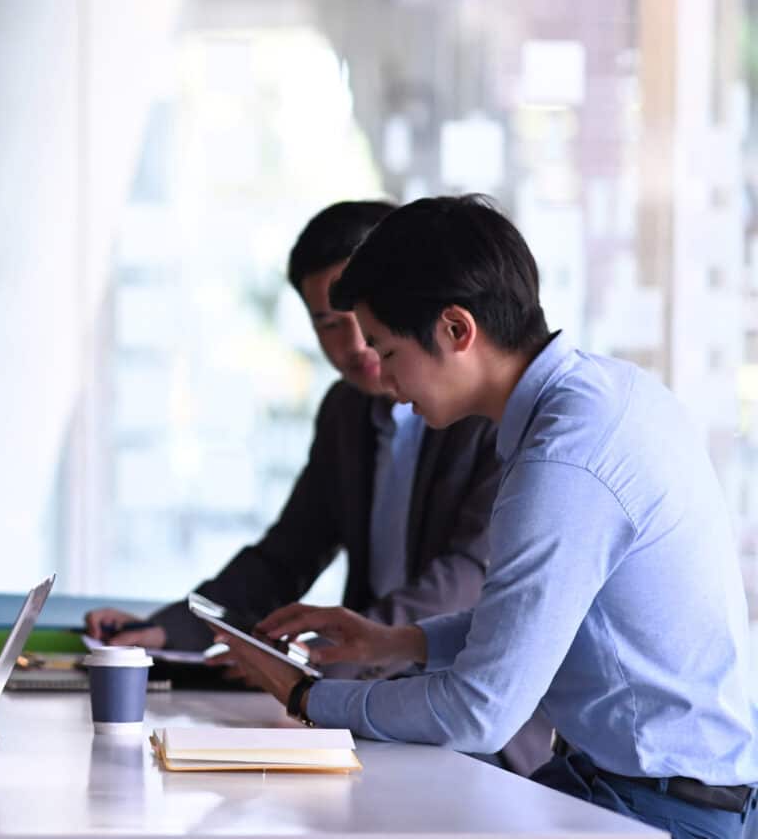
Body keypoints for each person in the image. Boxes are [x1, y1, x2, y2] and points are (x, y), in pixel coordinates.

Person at [226, 195, 758, 839]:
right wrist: (400, 641)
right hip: (616, 783)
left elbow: (480, 710)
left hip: (664, 811)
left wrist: (306, 697)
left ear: (456, 330)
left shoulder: (566, 460)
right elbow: (546, 613)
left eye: (390, 354)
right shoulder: (602, 395)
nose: (386, 383)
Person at [85, 201, 548, 773]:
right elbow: (288, 551)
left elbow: (466, 577)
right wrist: (174, 629)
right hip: (358, 714)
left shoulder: (494, 413)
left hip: (474, 737)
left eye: (371, 326)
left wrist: (319, 663)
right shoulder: (346, 413)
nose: (358, 346)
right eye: (330, 323)